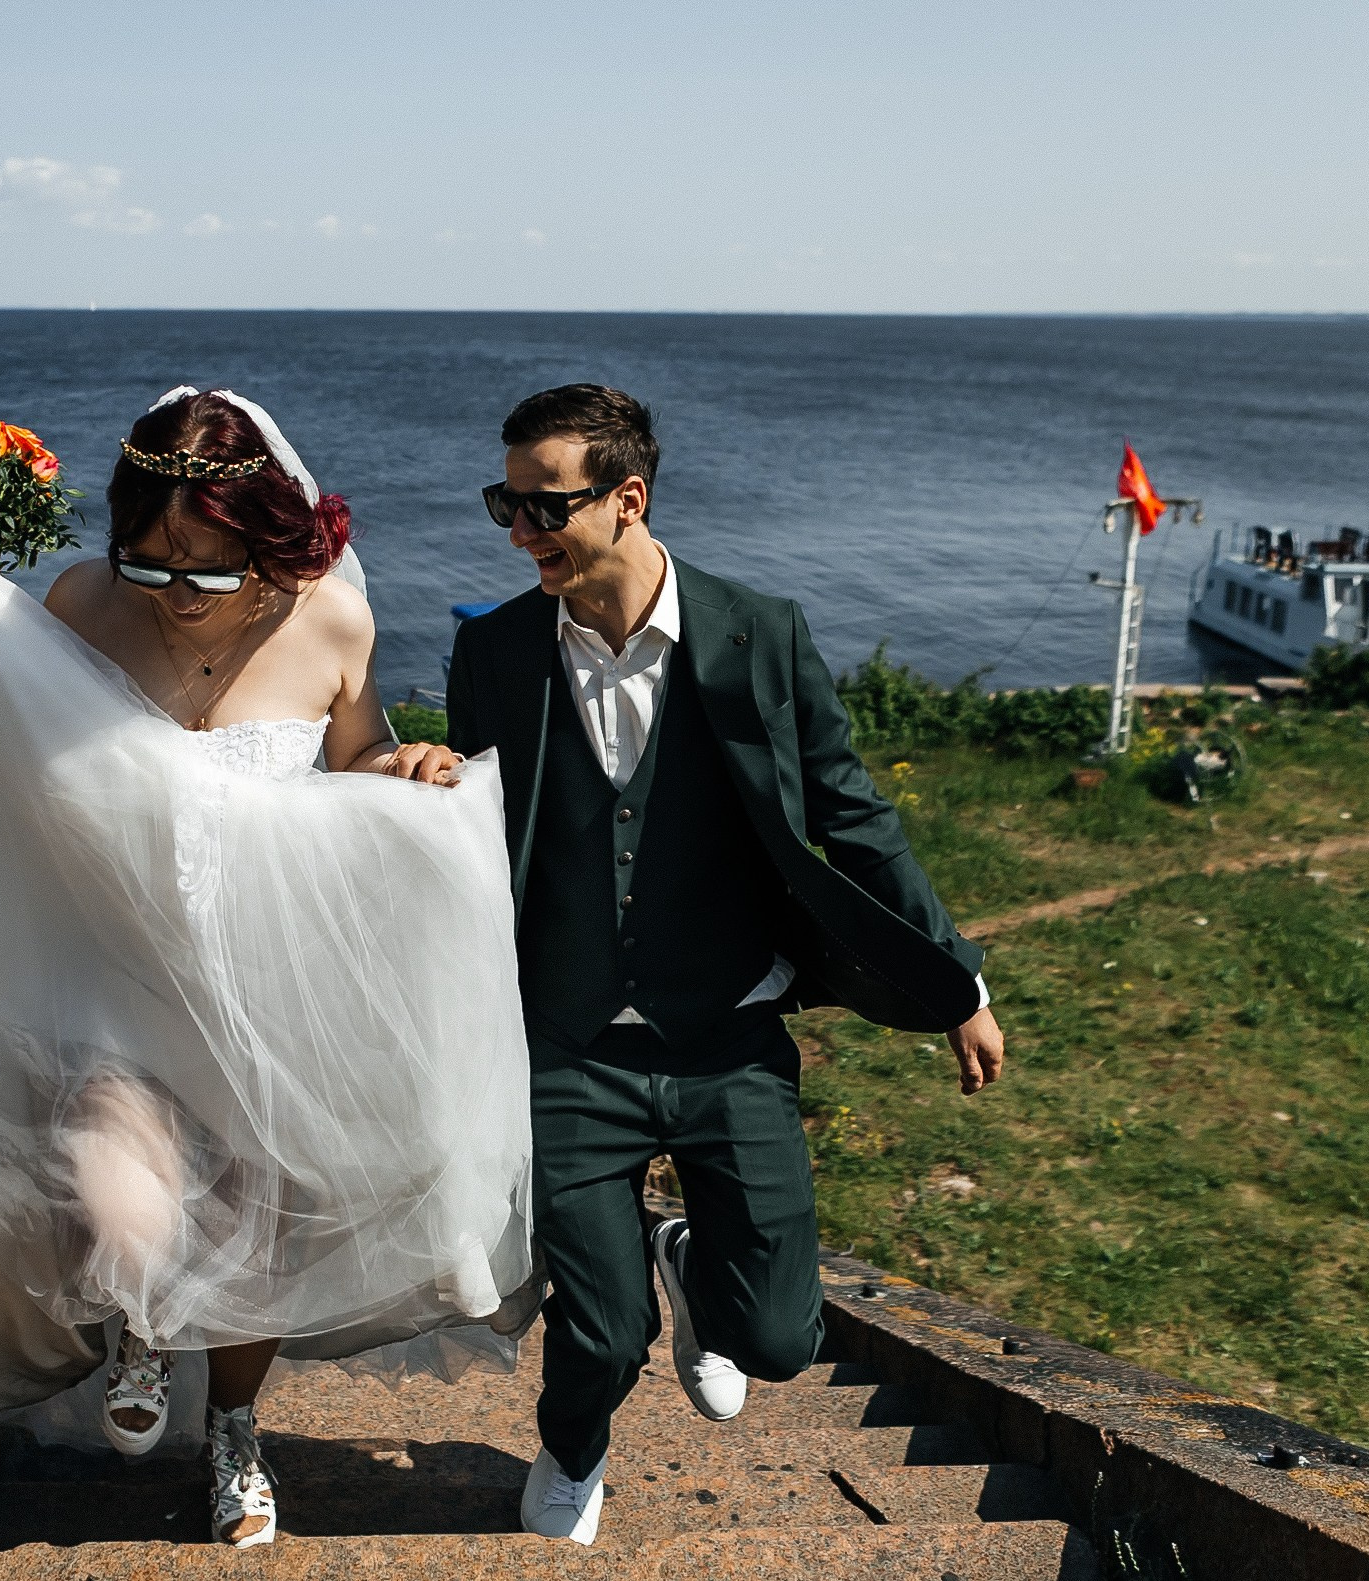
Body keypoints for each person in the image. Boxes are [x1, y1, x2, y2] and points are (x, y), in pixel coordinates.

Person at [0, 387, 530, 1549]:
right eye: (151, 565)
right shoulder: (82, 605)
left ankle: (236, 1434)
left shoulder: (332, 622)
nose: (177, 594)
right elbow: (3, 749)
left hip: (267, 982)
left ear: (268, 542)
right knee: (117, 1208)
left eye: (205, 566)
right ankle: (140, 1319)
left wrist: (407, 763)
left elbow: (355, 752)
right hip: (113, 974)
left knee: (260, 1230)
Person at [445, 384, 1007, 1545]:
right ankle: (573, 1448)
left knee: (783, 1343)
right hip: (566, 1042)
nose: (519, 530)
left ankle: (691, 1254)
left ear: (627, 499)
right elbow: (472, 827)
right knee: (598, 1333)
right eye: (505, 502)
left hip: (730, 1037)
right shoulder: (493, 650)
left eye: (543, 505)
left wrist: (957, 983)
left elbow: (851, 814)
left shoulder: (759, 634)